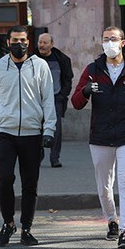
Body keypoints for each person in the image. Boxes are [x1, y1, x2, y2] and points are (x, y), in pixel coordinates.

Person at [71, 26, 125, 249]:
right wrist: (86, 90)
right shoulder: (93, 69)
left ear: (123, 42)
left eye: (113, 39)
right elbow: (76, 102)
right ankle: (112, 219)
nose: (109, 43)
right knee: (104, 187)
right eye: (105, 39)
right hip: (100, 136)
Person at [0, 25, 56, 247]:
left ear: (28, 42)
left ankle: (27, 229)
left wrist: (49, 130)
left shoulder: (40, 66)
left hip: (32, 134)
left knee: (30, 184)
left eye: (23, 40)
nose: (19, 44)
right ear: (8, 41)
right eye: (14, 40)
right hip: (6, 134)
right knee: (4, 180)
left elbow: (48, 100)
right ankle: (8, 223)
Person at [33, 33, 74, 168]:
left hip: (56, 98)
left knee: (56, 129)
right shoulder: (31, 59)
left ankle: (55, 157)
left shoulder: (62, 59)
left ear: (51, 44)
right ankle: (38, 155)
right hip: (35, 100)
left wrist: (62, 95)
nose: (42, 45)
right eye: (40, 42)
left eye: (45, 43)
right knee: (36, 128)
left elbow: (68, 80)